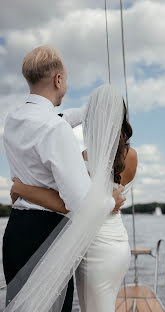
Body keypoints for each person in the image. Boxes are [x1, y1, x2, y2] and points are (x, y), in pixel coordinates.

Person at [2, 45, 125, 312]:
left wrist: (92, 108)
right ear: (58, 80)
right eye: (66, 79)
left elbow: (58, 118)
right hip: (46, 236)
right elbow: (80, 203)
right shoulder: (55, 129)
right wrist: (110, 200)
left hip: (15, 231)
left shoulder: (13, 119)